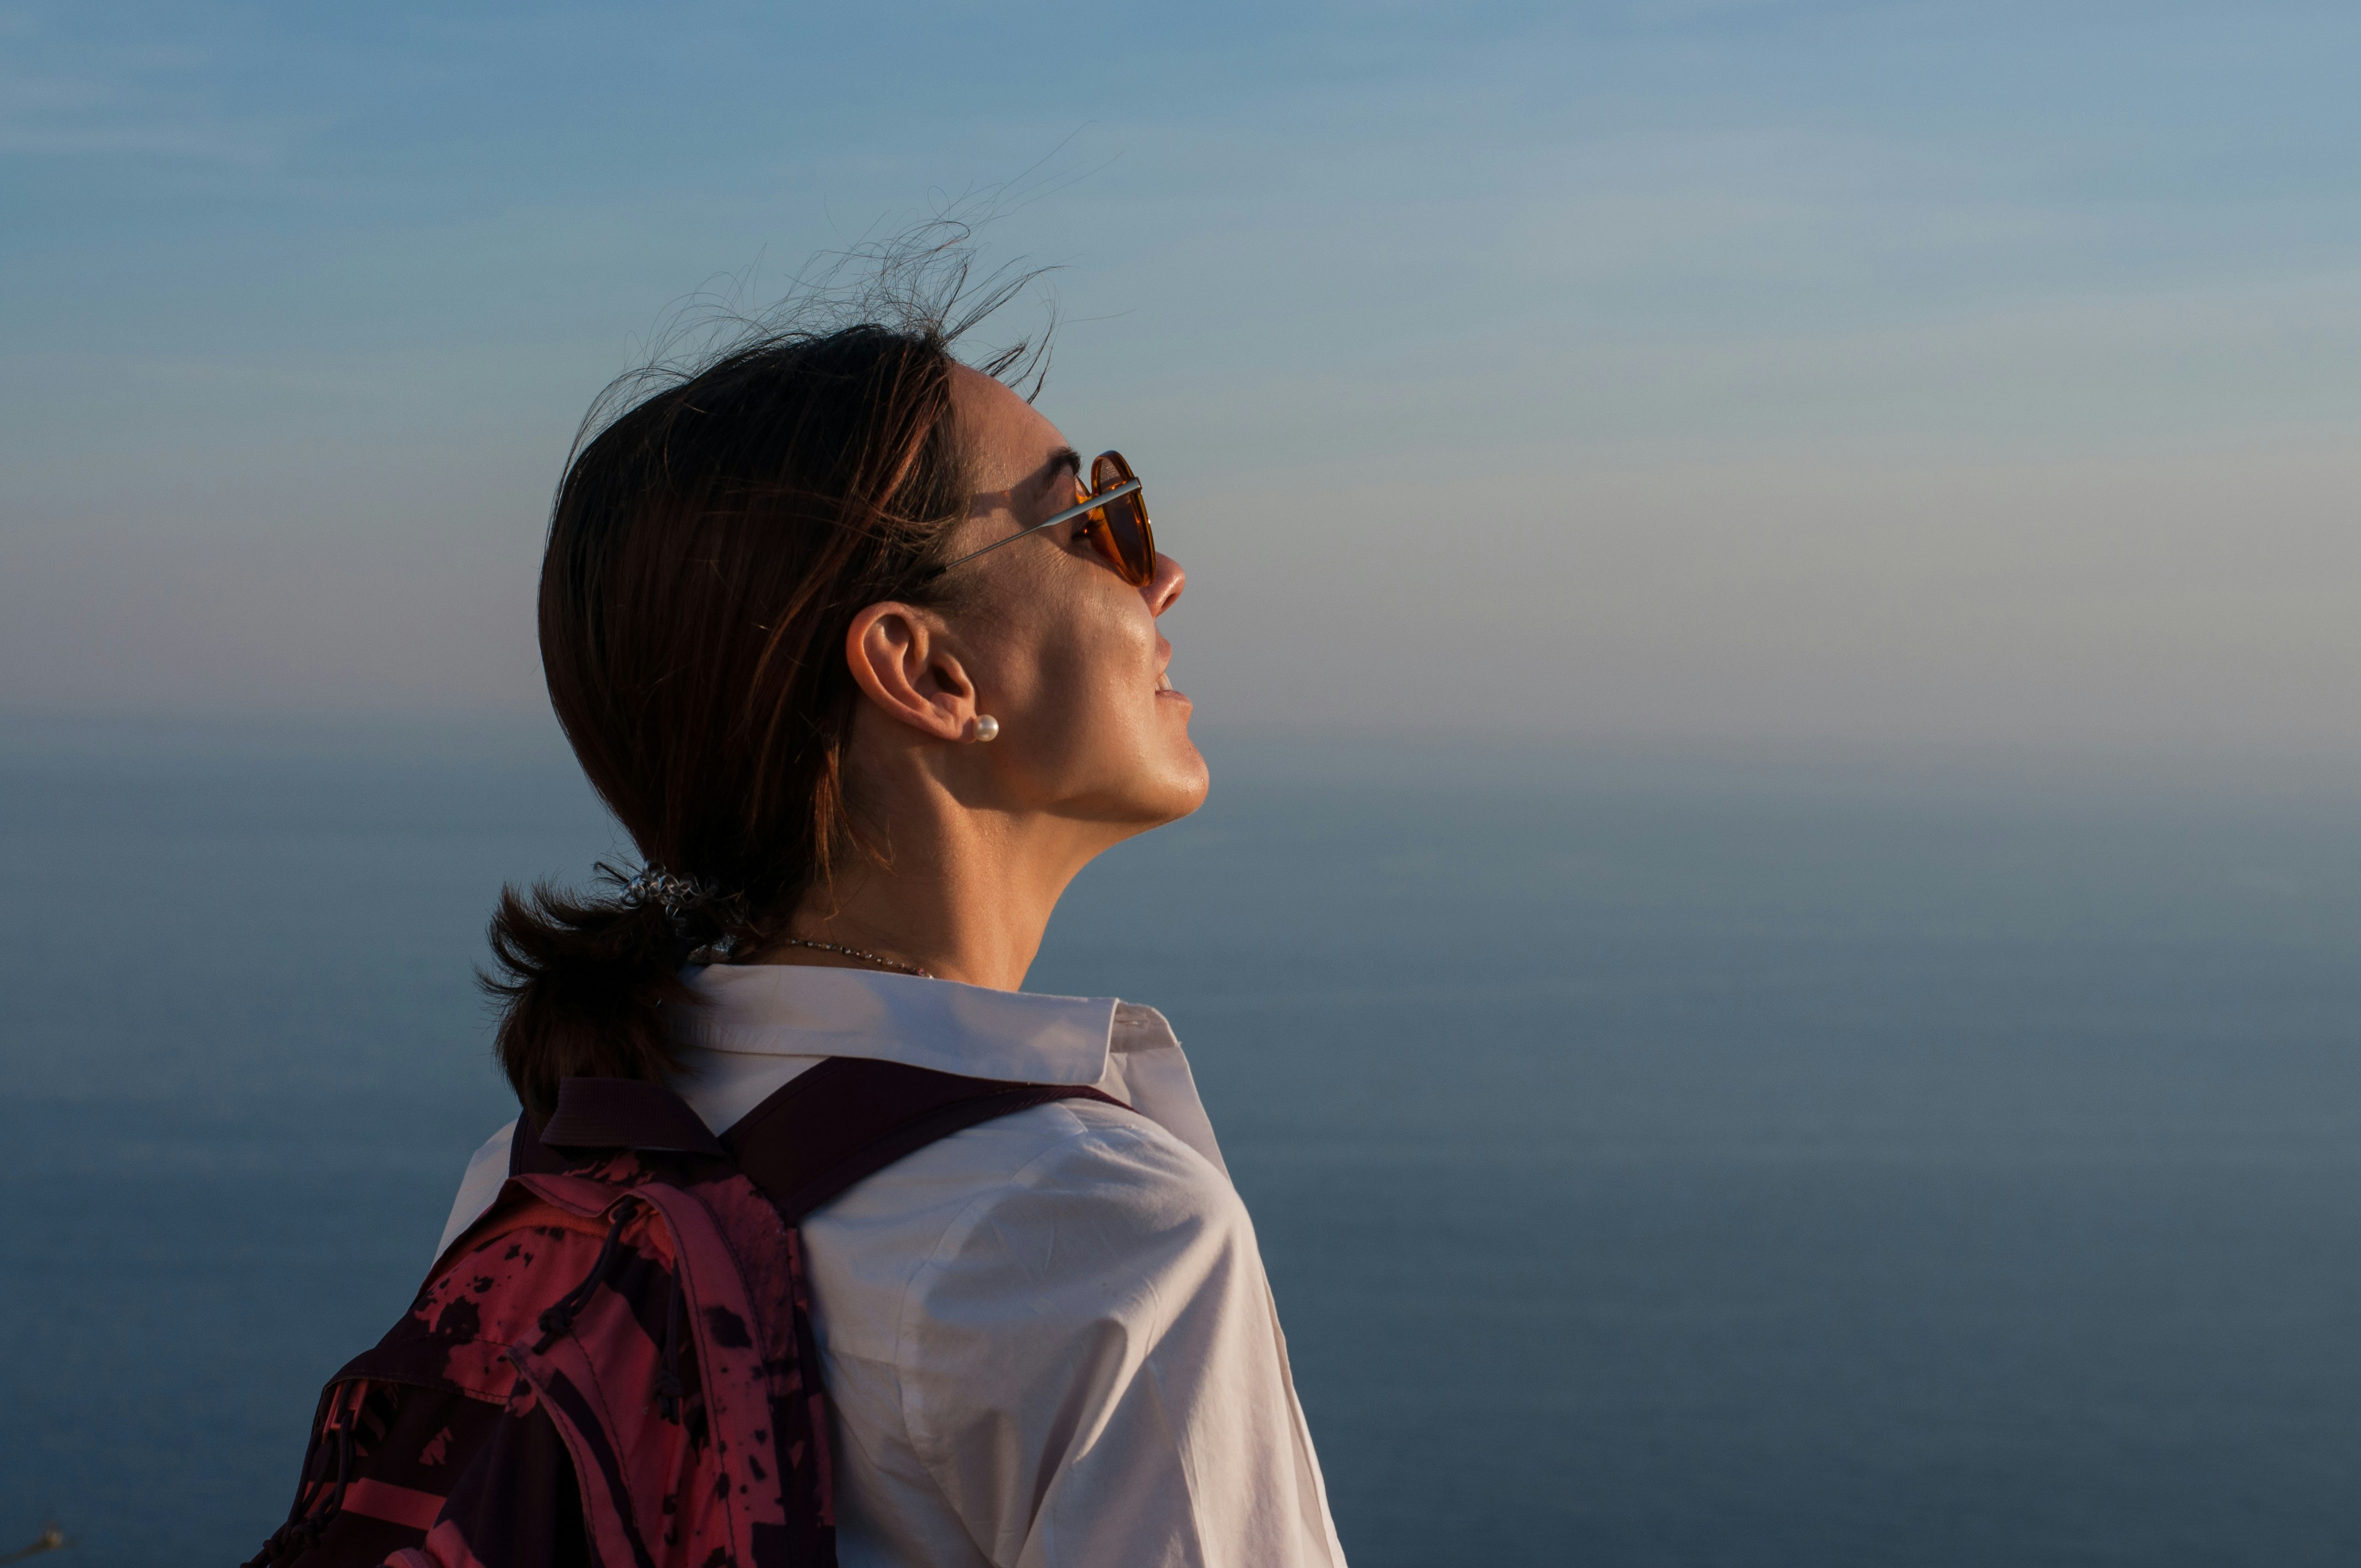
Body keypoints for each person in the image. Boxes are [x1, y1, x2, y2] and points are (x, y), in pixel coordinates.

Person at [434, 269, 1348, 1566]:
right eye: (1095, 517)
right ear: (925, 669)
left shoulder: (537, 1174)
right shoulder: (1091, 1230)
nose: (1169, 572)